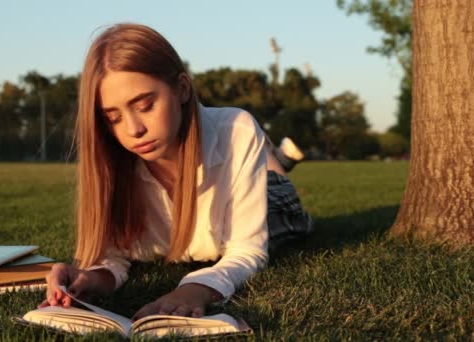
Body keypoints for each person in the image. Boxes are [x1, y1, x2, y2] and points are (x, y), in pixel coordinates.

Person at [38, 23, 313, 320]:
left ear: (182, 89)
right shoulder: (112, 161)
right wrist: (90, 277)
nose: (134, 130)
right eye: (114, 117)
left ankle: (275, 162)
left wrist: (194, 288)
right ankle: (275, 157)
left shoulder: (238, 129)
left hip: (269, 197)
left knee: (280, 194)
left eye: (145, 105)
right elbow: (112, 257)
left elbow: (248, 250)